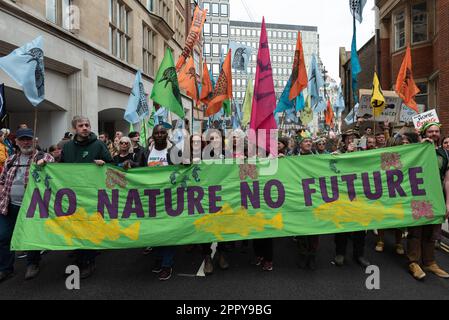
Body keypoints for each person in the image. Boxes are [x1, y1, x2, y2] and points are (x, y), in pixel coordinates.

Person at [60, 116, 112, 279]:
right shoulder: (67, 147)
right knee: (76, 227)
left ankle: (89, 262)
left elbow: (111, 164)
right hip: (73, 196)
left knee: (89, 228)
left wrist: (104, 163)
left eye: (87, 125)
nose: (84, 128)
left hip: (92, 195)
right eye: (81, 125)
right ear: (75, 128)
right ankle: (78, 258)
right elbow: (60, 168)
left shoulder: (99, 145)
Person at [0, 128, 54, 282]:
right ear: (16, 142)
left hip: (32, 205)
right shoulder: (10, 160)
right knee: (3, 236)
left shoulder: (44, 156)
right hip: (9, 205)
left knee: (31, 235)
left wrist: (44, 163)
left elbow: (54, 169)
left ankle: (33, 263)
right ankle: (5, 268)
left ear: (34, 141)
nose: (25, 142)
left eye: (28, 139)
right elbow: (2, 179)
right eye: (22, 139)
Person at [136, 125, 184, 281]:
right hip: (151, 199)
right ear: (153, 135)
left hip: (170, 198)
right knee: (154, 231)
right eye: (156, 132)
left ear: (166, 134)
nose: (159, 135)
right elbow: (138, 170)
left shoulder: (174, 151)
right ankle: (159, 257)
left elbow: (183, 169)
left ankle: (166, 264)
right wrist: (129, 164)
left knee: (168, 231)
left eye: (162, 132)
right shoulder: (145, 152)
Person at [406, 122, 449, 280]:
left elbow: (447, 180)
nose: (434, 134)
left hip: (437, 199)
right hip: (420, 198)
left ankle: (429, 262)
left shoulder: (446, 153)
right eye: (430, 131)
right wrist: (419, 145)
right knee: (416, 232)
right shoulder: (417, 149)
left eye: (437, 131)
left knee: (432, 233)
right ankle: (413, 262)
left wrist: (447, 203)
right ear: (425, 133)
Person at [334, 130, 371, 268]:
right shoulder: (337, 153)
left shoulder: (365, 153)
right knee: (342, 228)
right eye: (349, 138)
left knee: (361, 229)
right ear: (344, 141)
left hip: (360, 196)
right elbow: (336, 169)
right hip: (343, 196)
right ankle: (340, 253)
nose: (351, 141)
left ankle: (359, 255)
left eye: (354, 138)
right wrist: (347, 154)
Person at [374, 136, 405, 255]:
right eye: (401, 143)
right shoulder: (384, 156)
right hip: (386, 190)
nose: (403, 144)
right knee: (383, 215)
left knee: (400, 217)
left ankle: (399, 242)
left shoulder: (407, 155)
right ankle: (380, 241)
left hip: (400, 190)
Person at [295, 135, 320, 270]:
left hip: (314, 197)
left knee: (314, 229)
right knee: (301, 229)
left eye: (310, 141)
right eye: (306, 141)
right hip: (299, 197)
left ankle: (312, 255)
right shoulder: (293, 159)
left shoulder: (318, 158)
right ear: (300, 145)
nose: (309, 143)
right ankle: (303, 254)